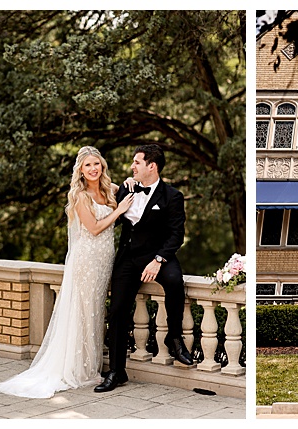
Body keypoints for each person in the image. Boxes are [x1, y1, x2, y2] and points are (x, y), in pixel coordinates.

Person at [0, 147, 134, 398]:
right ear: (81, 170)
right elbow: (94, 228)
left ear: (102, 166)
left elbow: (127, 190)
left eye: (96, 164)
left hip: (104, 261)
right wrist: (119, 211)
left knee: (95, 312)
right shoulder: (79, 195)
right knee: (82, 312)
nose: (93, 169)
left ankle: (89, 367)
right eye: (88, 165)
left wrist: (130, 181)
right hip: (86, 260)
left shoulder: (108, 189)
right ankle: (76, 369)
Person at [96, 144, 192, 393]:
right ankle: (116, 371)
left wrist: (158, 260)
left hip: (158, 256)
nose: (132, 167)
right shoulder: (126, 188)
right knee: (117, 310)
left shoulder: (172, 196)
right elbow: (111, 216)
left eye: (137, 162)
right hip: (128, 258)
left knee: (175, 281)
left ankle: (174, 337)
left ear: (152, 166)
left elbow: (176, 235)